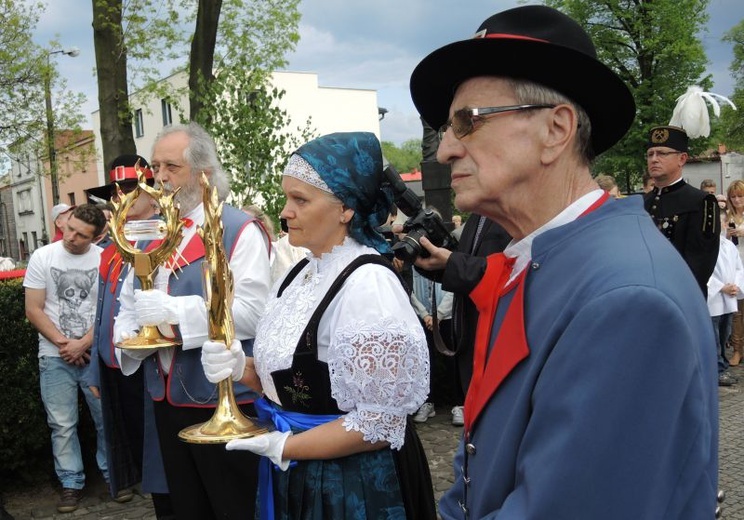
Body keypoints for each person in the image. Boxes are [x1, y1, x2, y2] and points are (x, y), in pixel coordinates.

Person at [410, 5, 717, 518]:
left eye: (466, 122)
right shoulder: (546, 258)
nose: (444, 151)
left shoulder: (626, 299)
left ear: (556, 130)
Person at [201, 132, 436, 519]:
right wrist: (240, 368)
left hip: (349, 481)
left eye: (300, 200)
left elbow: (379, 422)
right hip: (302, 466)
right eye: (287, 197)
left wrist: (285, 447)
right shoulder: (301, 273)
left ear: (345, 209)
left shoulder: (368, 285)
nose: (285, 211)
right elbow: (301, 384)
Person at [113, 122, 271, 520]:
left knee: (232, 505)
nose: (159, 178)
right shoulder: (152, 230)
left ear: (202, 174)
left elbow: (252, 313)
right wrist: (127, 329)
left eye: (170, 167)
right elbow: (131, 300)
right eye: (155, 167)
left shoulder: (239, 229)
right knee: (184, 508)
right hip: (165, 397)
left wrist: (173, 315)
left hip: (221, 394)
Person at [84, 155, 174, 517]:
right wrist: (95, 368)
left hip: (153, 368)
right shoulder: (110, 250)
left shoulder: (167, 237)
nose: (120, 198)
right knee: (140, 459)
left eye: (130, 191)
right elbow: (102, 314)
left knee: (163, 465)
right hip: (116, 369)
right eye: (116, 193)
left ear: (152, 194)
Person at [23, 204, 109, 513]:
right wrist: (65, 344)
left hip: (94, 353)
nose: (70, 237)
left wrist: (84, 342)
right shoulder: (43, 257)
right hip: (54, 354)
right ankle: (71, 484)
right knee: (61, 424)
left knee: (105, 419)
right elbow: (33, 308)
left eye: (81, 234)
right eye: (69, 228)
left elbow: (109, 309)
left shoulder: (104, 259)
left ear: (97, 237)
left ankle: (113, 477)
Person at [644, 126, 720, 297]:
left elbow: (700, 263)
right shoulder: (642, 203)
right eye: (650, 154)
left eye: (662, 153)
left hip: (682, 298)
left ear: (682, 158)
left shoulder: (701, 202)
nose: (654, 159)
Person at [708, 209, 744, 386]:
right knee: (713, 336)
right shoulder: (705, 246)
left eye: (721, 222)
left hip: (729, 296)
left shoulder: (729, 246)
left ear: (724, 223)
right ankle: (716, 369)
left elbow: (739, 268)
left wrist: (736, 285)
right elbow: (703, 272)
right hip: (714, 298)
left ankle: (723, 365)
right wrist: (721, 287)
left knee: (725, 333)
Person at [726, 180, 744, 366]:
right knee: (737, 312)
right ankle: (737, 350)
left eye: (740, 196)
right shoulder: (727, 216)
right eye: (734, 196)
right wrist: (728, 234)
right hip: (734, 268)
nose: (737, 200)